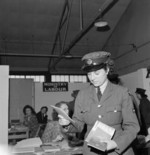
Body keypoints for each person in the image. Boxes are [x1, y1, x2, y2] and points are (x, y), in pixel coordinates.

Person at [58, 51, 140, 155]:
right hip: (91, 151)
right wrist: (67, 124)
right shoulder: (82, 95)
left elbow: (132, 126)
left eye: (97, 73)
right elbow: (78, 124)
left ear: (107, 70)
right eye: (89, 74)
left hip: (118, 150)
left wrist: (115, 143)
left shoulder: (121, 93)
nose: (92, 78)